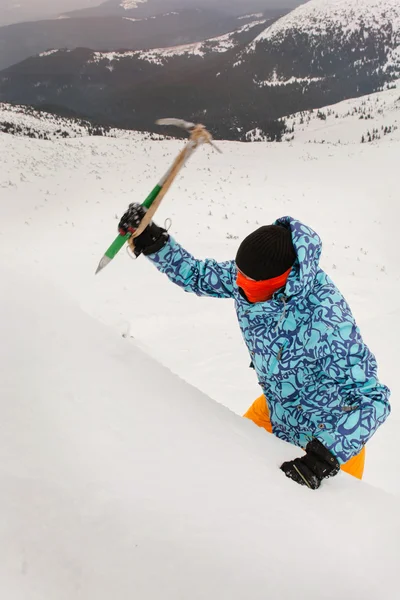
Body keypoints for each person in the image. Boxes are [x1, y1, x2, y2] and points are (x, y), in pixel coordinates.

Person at [119, 203, 391, 490]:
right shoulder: (248, 278)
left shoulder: (328, 323)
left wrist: (322, 459)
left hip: (329, 440)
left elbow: (374, 400)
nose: (237, 284)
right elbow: (198, 274)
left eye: (249, 282)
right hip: (276, 410)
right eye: (238, 274)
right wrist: (153, 242)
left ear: (280, 280)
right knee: (226, 468)